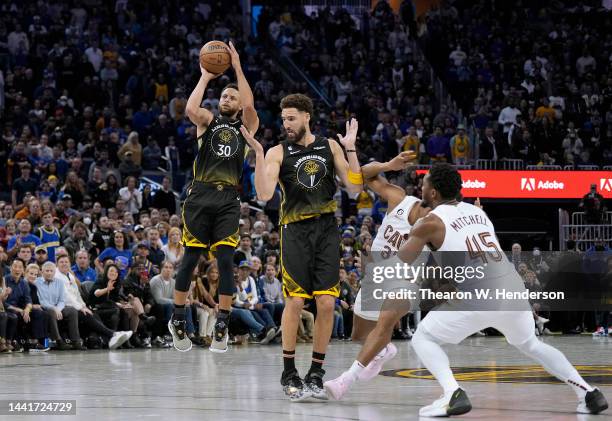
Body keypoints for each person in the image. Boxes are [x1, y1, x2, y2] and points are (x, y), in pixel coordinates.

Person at [350, 164, 608, 416]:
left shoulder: (428, 222)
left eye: (425, 182)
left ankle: (452, 393)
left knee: (423, 338)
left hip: (479, 295)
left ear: (433, 193)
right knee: (531, 343)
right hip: (512, 289)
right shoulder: (479, 213)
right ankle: (587, 391)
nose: (422, 185)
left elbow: (404, 258)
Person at [241, 93, 363, 401]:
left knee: (325, 303)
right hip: (294, 230)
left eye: (291, 118)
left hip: (326, 229)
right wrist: (258, 153)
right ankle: (288, 371)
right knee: (295, 301)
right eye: (283, 119)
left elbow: (354, 188)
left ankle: (316, 372)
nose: (286, 124)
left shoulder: (329, 146)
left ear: (307, 116)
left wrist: (350, 148)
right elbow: (266, 194)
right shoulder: (278, 151)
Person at [169, 41, 259, 353]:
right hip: (200, 194)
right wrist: (206, 77)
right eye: (224, 95)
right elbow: (191, 110)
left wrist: (236, 66)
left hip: (228, 200)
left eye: (231, 96)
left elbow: (249, 106)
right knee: (191, 258)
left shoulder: (247, 127)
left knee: (225, 261)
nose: (227, 99)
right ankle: (178, 318)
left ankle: (222, 321)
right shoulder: (208, 120)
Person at [325, 151, 430, 397]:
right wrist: (388, 164)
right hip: (377, 276)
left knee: (383, 326)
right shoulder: (400, 199)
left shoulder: (438, 224)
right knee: (358, 335)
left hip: (406, 280)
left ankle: (344, 380)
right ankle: (383, 350)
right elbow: (362, 174)